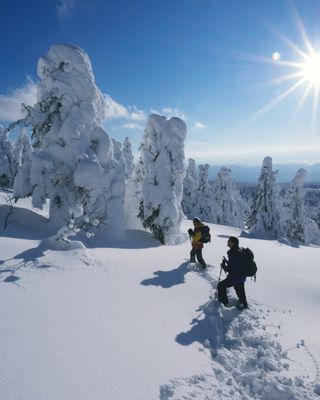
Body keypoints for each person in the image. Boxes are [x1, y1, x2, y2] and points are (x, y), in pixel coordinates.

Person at [218, 236, 248, 309]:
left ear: (233, 243)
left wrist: (223, 266)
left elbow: (231, 269)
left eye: (229, 241)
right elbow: (235, 265)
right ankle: (244, 304)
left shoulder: (233, 252)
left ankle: (224, 303)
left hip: (235, 277)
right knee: (240, 290)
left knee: (221, 285)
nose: (228, 242)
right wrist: (227, 262)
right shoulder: (240, 251)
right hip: (242, 276)